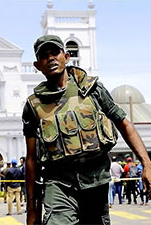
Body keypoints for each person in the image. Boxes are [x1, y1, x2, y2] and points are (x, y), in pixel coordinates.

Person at [22, 34, 151, 225]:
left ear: (66, 57)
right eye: (44, 55)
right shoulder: (34, 106)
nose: (50, 58)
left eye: (55, 52)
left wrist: (146, 163)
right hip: (58, 185)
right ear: (37, 65)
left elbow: (124, 123)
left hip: (95, 182)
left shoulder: (92, 89)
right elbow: (31, 159)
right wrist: (32, 208)